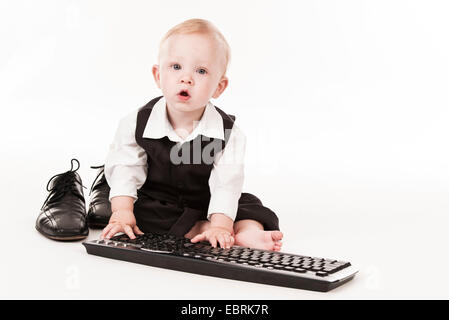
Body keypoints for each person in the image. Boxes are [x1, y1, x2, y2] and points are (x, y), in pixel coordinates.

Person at [101, 18, 283, 251]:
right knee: (137, 209)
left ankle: (245, 231)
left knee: (247, 204)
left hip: (207, 201)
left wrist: (221, 224)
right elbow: (126, 168)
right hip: (159, 201)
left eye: (201, 71)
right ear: (158, 75)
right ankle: (201, 229)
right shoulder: (137, 123)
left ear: (219, 86)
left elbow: (226, 183)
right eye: (176, 67)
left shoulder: (227, 134)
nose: (186, 78)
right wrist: (122, 212)